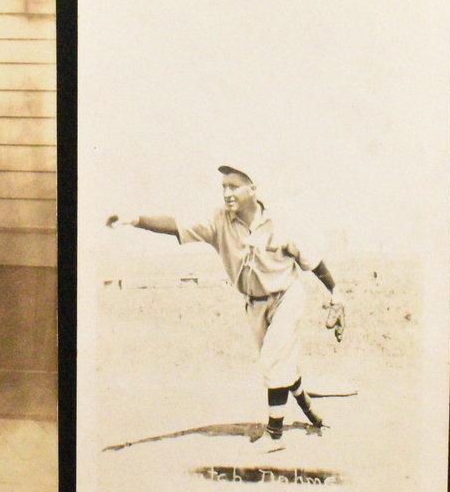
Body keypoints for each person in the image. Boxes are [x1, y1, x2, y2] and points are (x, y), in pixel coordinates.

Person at [107, 165, 340, 444]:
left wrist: (335, 292)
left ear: (252, 190)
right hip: (253, 302)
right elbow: (177, 225)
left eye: (234, 186)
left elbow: (312, 261)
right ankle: (309, 408)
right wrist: (135, 219)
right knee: (279, 364)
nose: (227, 193)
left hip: (286, 295)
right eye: (224, 187)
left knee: (274, 360)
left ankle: (274, 435)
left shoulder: (281, 223)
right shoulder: (219, 221)